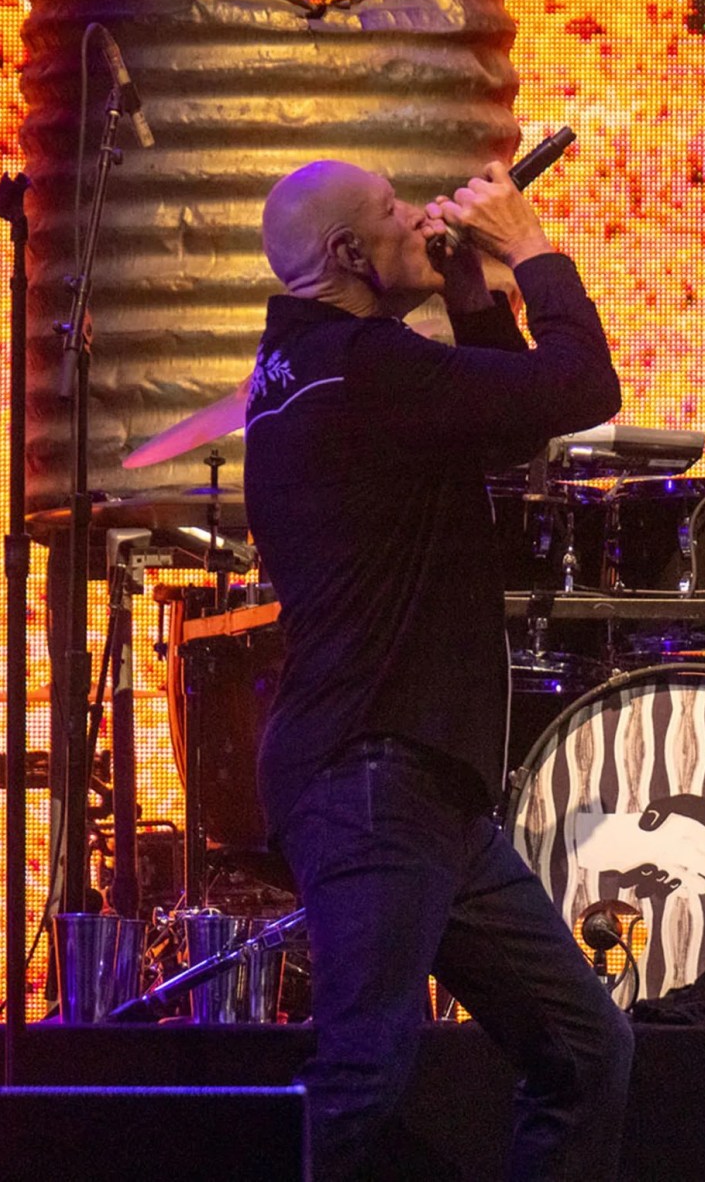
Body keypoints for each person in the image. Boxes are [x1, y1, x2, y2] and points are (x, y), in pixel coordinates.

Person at [244, 158, 633, 1179]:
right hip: (373, 775)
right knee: (362, 1074)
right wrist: (530, 251)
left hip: (415, 784)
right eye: (391, 213)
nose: (420, 218)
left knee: (584, 1047)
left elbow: (505, 431)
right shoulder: (368, 369)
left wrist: (468, 300)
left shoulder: (321, 368)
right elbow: (580, 387)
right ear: (344, 256)